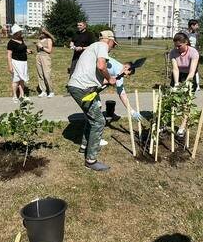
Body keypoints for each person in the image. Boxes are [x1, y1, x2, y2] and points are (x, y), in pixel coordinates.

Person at [67, 30, 118, 172]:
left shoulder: (92, 47)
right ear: (109, 40)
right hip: (82, 89)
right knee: (99, 121)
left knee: (92, 118)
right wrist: (109, 78)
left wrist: (105, 81)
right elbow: (101, 66)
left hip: (81, 87)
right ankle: (91, 160)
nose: (112, 48)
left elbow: (93, 72)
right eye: (113, 44)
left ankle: (84, 147)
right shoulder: (102, 45)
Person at [94, 57, 142, 148]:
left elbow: (121, 93)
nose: (127, 76)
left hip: (93, 82)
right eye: (128, 73)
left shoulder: (118, 70)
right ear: (126, 67)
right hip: (89, 82)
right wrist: (108, 81)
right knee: (96, 111)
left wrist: (131, 111)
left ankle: (91, 138)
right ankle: (95, 139)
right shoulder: (118, 70)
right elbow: (121, 94)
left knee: (97, 108)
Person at [7, 24, 32, 102]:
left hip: (23, 63)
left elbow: (24, 48)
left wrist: (27, 50)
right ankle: (15, 96)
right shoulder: (11, 42)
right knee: (16, 80)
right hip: (16, 63)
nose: (21, 33)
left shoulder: (21, 39)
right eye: (19, 32)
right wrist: (10, 66)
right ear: (15, 33)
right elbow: (9, 55)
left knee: (22, 80)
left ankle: (22, 96)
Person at [35, 28, 55, 98]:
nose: (41, 34)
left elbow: (49, 51)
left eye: (42, 33)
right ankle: (43, 91)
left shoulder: (49, 40)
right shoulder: (39, 40)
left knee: (47, 75)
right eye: (40, 32)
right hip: (38, 56)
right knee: (40, 75)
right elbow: (38, 50)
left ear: (45, 33)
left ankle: (51, 91)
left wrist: (42, 47)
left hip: (45, 57)